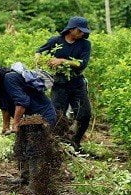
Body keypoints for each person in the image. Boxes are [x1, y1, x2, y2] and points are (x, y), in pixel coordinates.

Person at [0, 60, 56, 184]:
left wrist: (16, 124)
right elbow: (4, 106)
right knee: (21, 147)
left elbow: (22, 102)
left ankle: (36, 183)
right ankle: (25, 178)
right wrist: (5, 125)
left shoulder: (9, 78)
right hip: (27, 118)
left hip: (42, 114)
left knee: (34, 148)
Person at [36, 16, 92, 151]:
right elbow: (39, 51)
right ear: (71, 29)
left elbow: (81, 64)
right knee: (56, 116)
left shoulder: (85, 44)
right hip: (59, 84)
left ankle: (76, 142)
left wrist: (62, 61)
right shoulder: (56, 41)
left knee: (85, 114)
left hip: (77, 83)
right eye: (80, 31)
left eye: (84, 31)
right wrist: (40, 60)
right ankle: (57, 144)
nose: (82, 34)